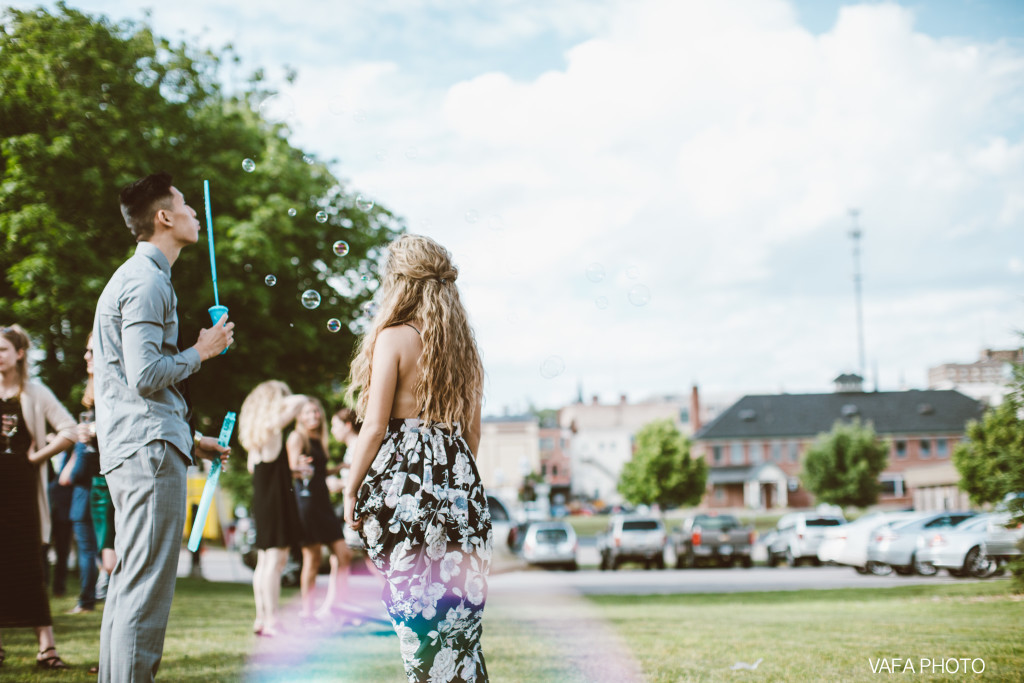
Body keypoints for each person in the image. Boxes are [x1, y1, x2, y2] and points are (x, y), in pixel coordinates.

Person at [92, 172, 234, 682]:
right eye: (187, 207)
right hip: (146, 452)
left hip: (142, 445)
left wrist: (192, 440)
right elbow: (146, 375)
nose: (197, 215)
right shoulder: (147, 280)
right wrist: (202, 351)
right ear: (164, 218)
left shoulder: (140, 277)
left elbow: (130, 388)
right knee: (145, 590)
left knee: (131, 585)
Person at [344, 234, 493, 682]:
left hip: (404, 489)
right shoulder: (463, 349)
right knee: (459, 626)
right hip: (459, 482)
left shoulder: (392, 339)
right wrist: (458, 483)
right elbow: (473, 432)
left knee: (418, 620)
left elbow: (373, 428)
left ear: (399, 283)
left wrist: (351, 488)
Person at [0, 324, 77, 670]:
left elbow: (71, 430)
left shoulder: (35, 391)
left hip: (24, 499)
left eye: (2, 349)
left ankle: (47, 648)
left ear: (19, 354)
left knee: (30, 568)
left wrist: (37, 456)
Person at [237, 380, 307, 637]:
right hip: (276, 504)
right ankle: (272, 620)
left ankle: (261, 618)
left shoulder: (256, 440)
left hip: (264, 504)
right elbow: (301, 399)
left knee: (265, 562)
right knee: (275, 562)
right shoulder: (271, 429)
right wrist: (280, 396)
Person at [287, 397, 352, 621]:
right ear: (299, 417)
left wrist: (340, 468)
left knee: (344, 554)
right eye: (307, 413)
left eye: (316, 412)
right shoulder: (297, 437)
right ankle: (307, 613)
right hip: (307, 504)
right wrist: (300, 468)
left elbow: (320, 472)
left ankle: (337, 606)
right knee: (312, 559)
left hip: (323, 503)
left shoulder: (318, 438)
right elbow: (292, 471)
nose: (313, 416)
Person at [57, 332, 101, 615]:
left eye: (92, 352)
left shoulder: (101, 409)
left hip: (93, 491)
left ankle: (87, 600)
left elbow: (71, 475)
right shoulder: (91, 407)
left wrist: (81, 447)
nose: (86, 357)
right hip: (90, 490)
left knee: (90, 551)